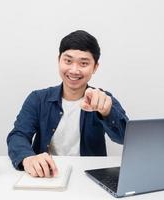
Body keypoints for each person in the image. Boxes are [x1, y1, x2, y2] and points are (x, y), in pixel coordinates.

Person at [7, 30, 129, 178]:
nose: (74, 70)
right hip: (47, 175)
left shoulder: (102, 98)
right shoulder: (38, 99)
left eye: (84, 63)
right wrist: (27, 158)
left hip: (89, 176)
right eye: (68, 61)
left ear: (95, 67)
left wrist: (107, 112)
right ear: (59, 60)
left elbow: (125, 138)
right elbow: (18, 135)